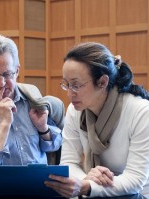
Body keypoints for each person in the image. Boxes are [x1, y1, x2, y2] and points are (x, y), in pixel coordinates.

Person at [44, 42, 149, 198]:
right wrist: (86, 181)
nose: (69, 94)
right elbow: (68, 163)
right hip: (94, 190)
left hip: (136, 194)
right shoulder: (75, 110)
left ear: (102, 82)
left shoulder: (141, 111)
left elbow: (135, 179)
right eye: (67, 84)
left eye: (76, 85)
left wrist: (88, 187)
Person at [0, 35, 65, 179]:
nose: (2, 83)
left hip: (39, 185)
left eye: (7, 74)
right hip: (0, 190)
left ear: (17, 70)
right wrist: (4, 124)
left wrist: (43, 129)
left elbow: (54, 146)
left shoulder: (31, 96)